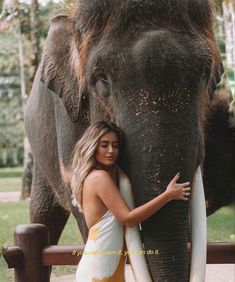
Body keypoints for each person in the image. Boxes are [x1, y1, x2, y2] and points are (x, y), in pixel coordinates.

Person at [70, 121, 191, 282]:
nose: (111, 151)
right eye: (104, 145)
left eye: (115, 145)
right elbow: (128, 219)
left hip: (105, 268)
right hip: (98, 271)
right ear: (92, 147)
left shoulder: (94, 177)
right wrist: (168, 195)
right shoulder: (99, 178)